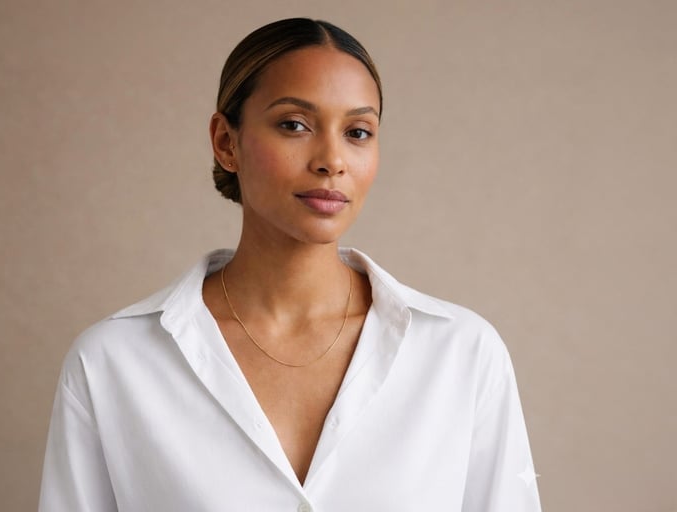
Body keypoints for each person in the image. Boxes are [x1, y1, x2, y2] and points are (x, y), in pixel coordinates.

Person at [38, 18, 542, 511]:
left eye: (358, 132)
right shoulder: (113, 363)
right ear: (225, 142)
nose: (332, 160)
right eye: (294, 125)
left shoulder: (461, 354)